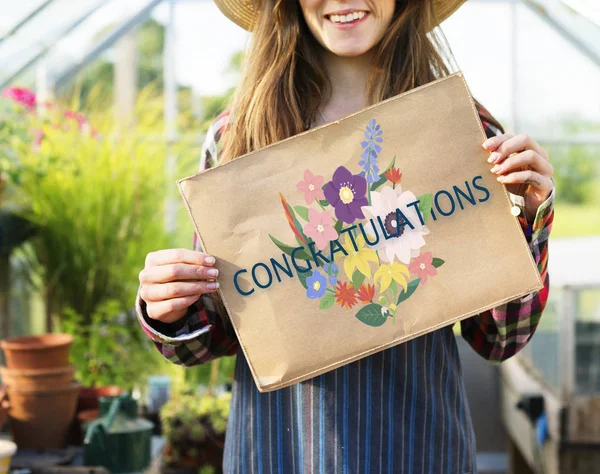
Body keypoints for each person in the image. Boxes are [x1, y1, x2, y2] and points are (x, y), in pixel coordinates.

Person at [136, 1, 555, 472]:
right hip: (282, 451)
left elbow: (497, 339)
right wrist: (170, 307)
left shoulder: (464, 131)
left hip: (418, 449)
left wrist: (529, 218)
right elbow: (214, 336)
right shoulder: (238, 137)